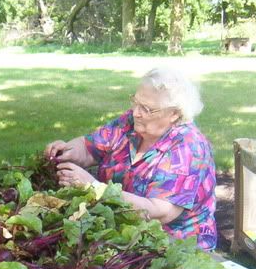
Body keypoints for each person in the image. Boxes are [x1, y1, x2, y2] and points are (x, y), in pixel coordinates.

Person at [45, 67, 217, 250]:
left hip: (173, 247)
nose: (136, 112)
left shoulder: (188, 148)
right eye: (135, 102)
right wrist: (66, 150)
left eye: (147, 108)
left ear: (174, 113)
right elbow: (89, 148)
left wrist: (94, 188)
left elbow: (159, 212)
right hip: (124, 234)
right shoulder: (130, 123)